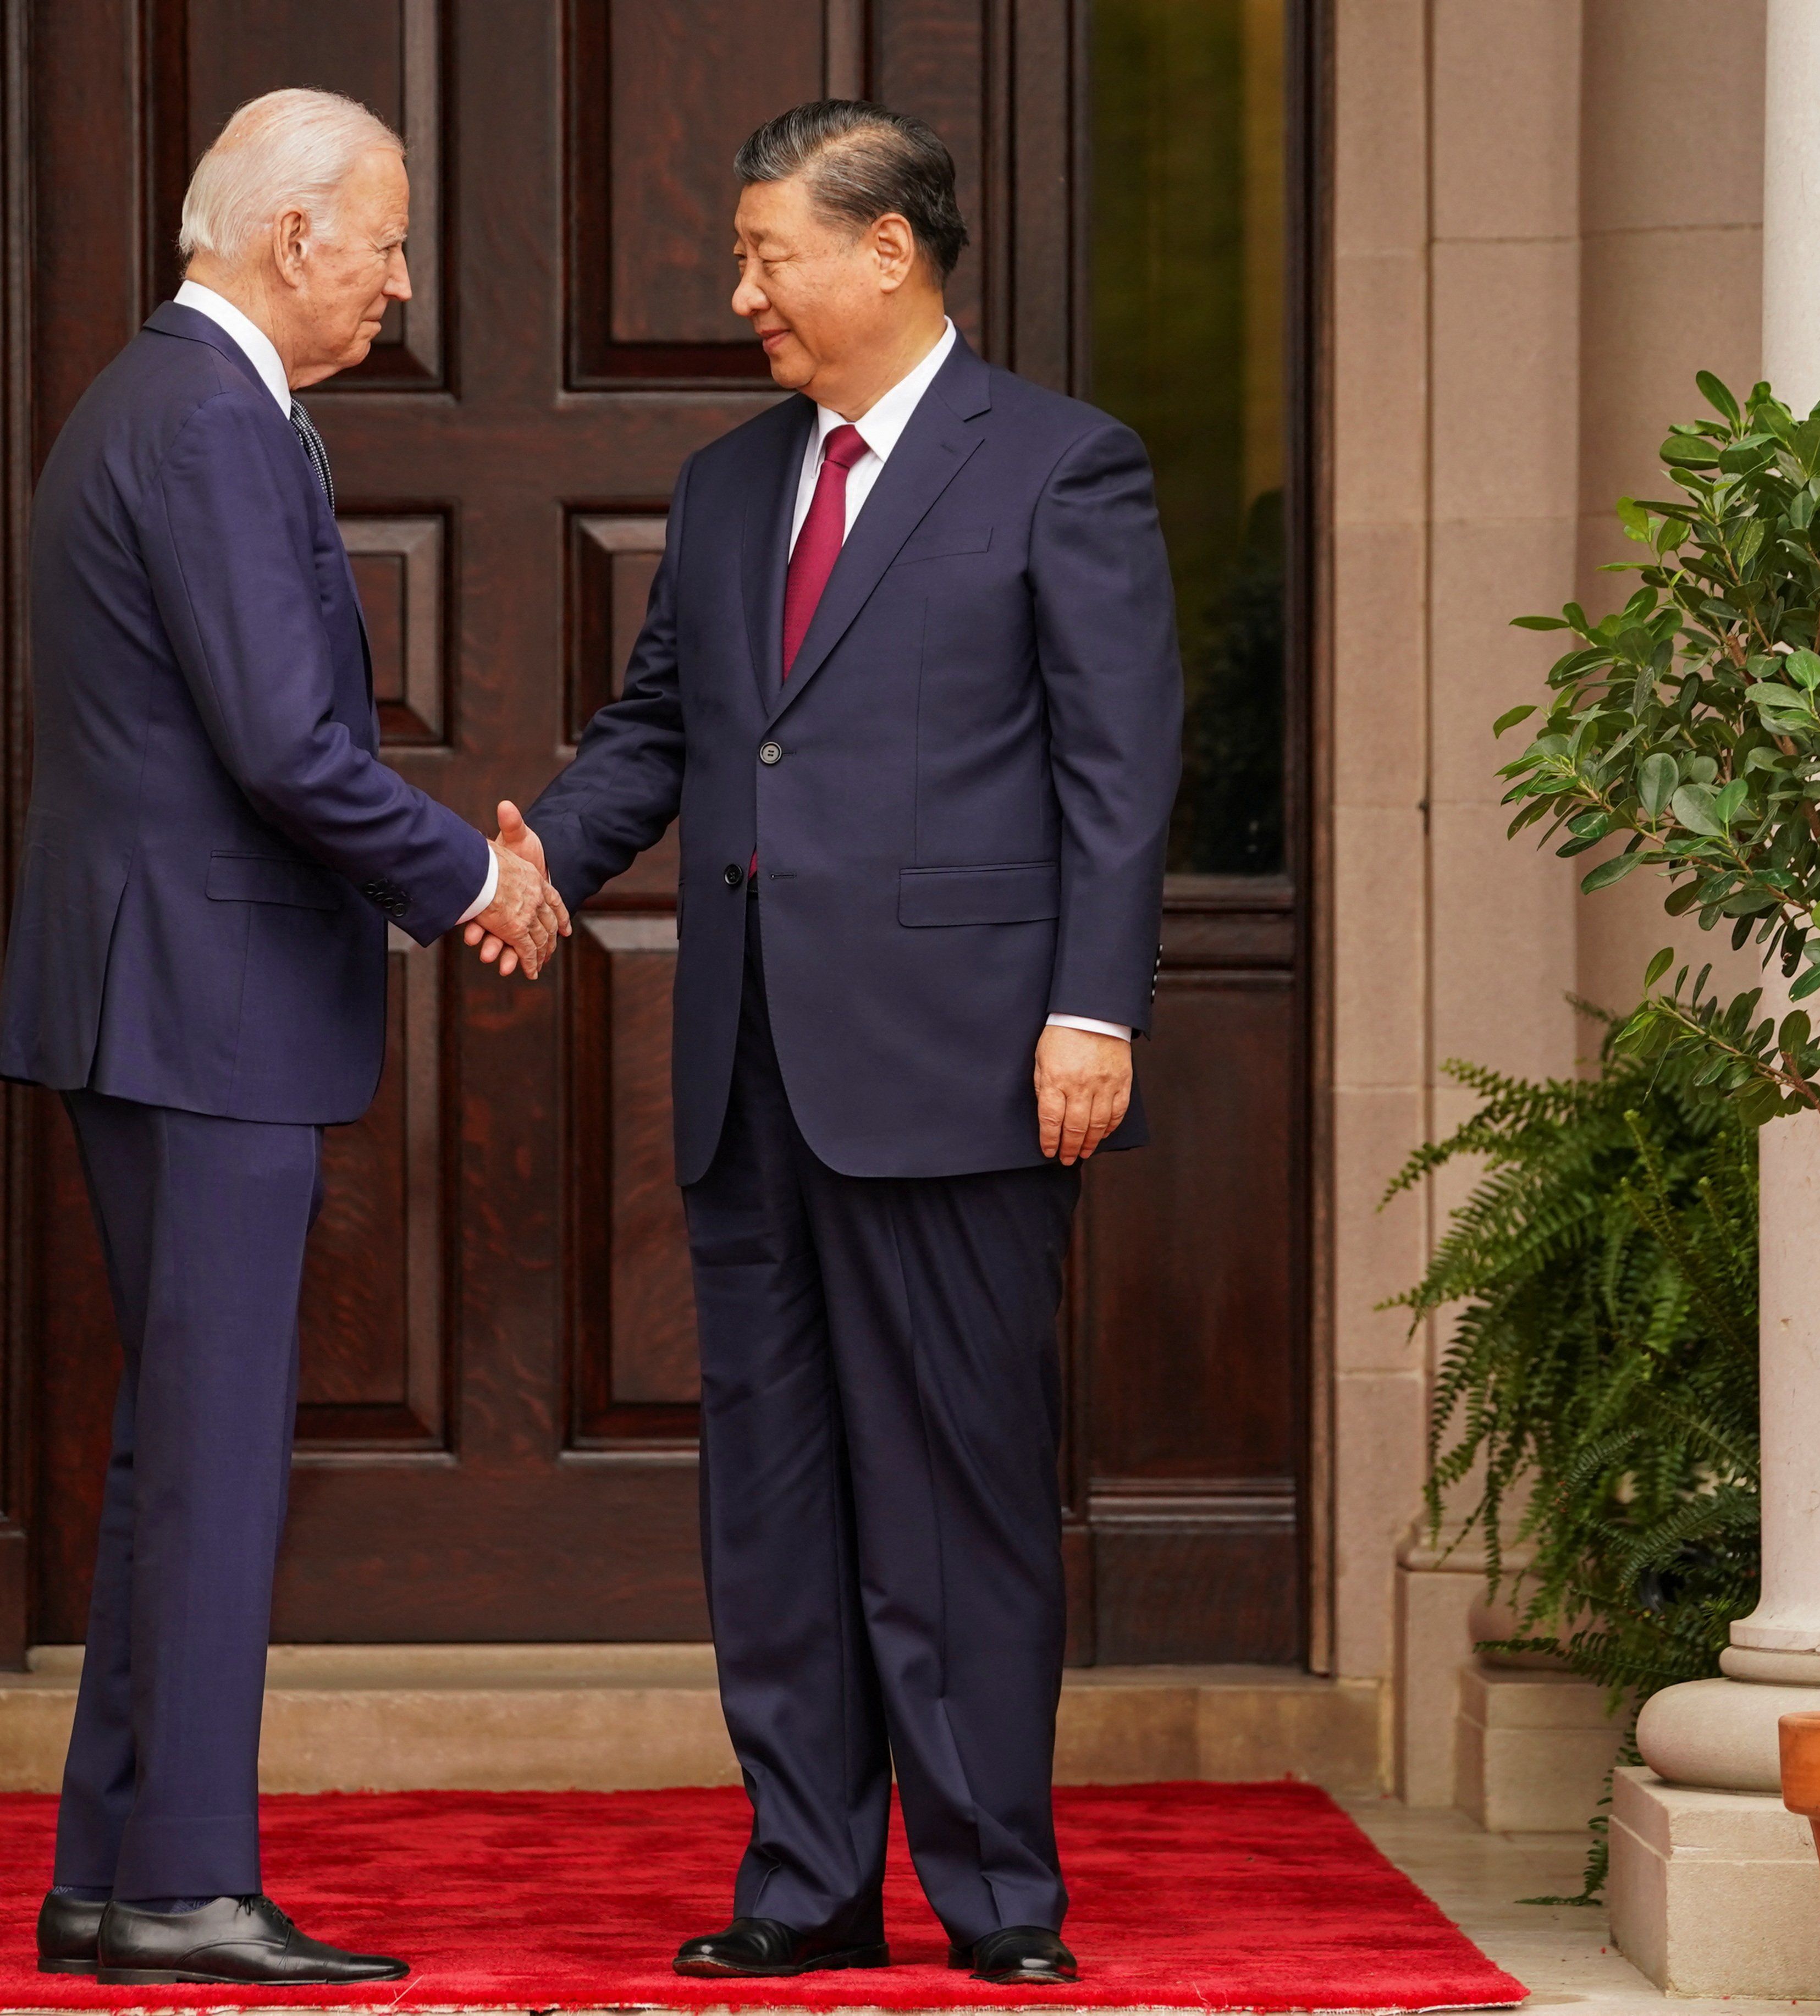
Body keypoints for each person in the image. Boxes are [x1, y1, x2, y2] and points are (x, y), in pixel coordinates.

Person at [488, 98, 1181, 1987]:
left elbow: (1118, 769)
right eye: (740, 260)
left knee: (955, 1493)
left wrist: (1092, 1006)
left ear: (888, 251)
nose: (742, 296)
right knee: (775, 1496)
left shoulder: (1060, 466)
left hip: (967, 1066)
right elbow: (665, 722)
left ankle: (997, 1897)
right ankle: (804, 1879)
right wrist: (538, 865)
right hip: (750, 1070)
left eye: (765, 257)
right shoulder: (727, 485)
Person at [0, 87, 562, 1989]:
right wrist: (473, 881)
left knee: (180, 1443)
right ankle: (184, 1883)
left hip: (158, 994)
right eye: (386, 241)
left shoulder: (153, 400)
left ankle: (112, 1873)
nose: (400, 282)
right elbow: (286, 747)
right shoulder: (213, 419)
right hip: (203, 1005)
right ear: (293, 233)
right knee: (216, 1453)